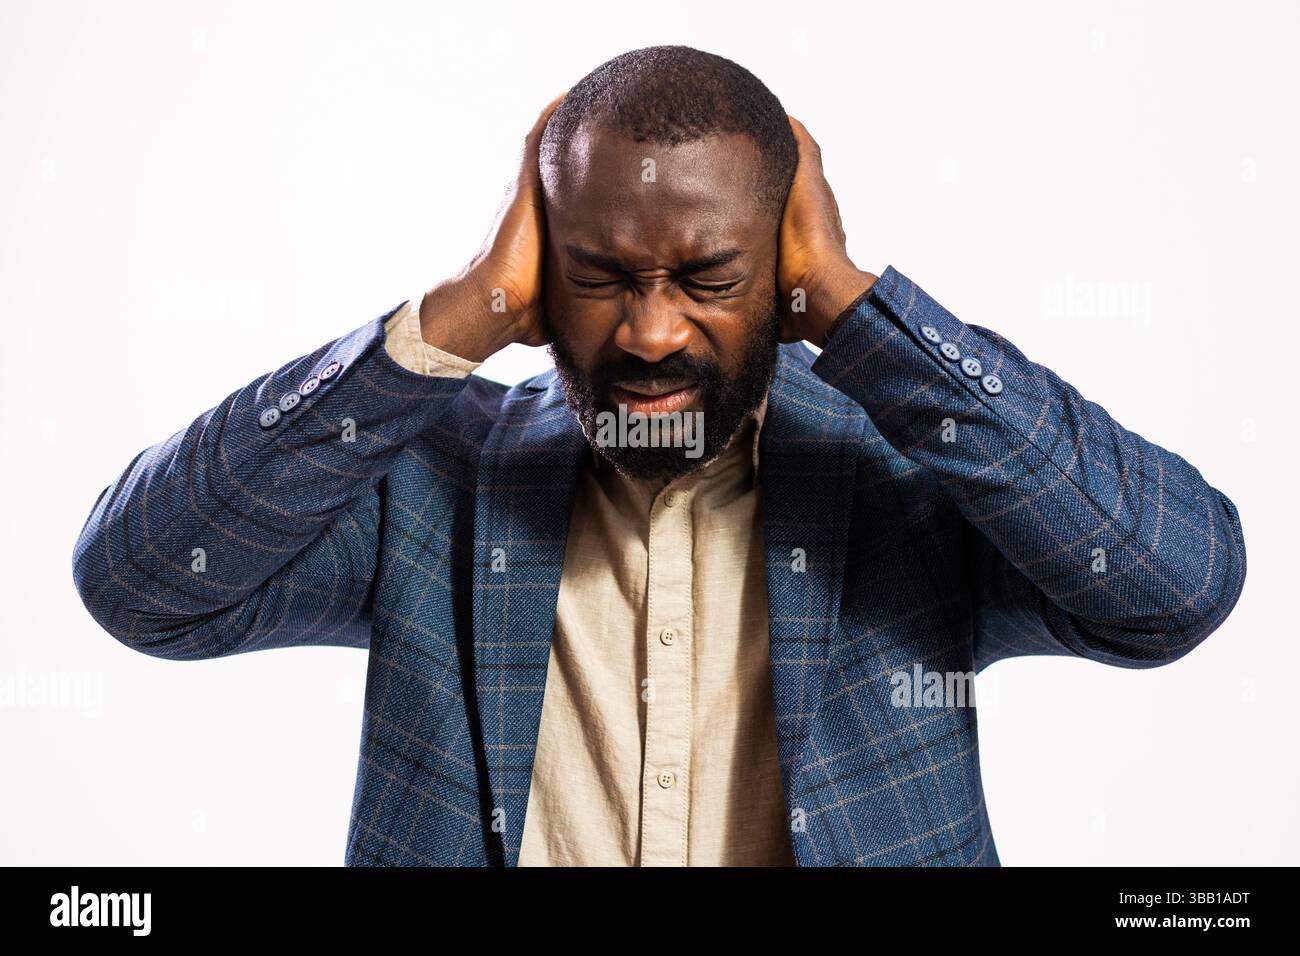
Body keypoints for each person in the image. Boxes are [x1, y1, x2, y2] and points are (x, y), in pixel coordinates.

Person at [71, 45, 1247, 867]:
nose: (649, 330)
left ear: (779, 268)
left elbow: (1174, 584)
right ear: (541, 271)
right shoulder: (433, 481)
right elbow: (140, 580)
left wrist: (855, 310)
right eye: (599, 275)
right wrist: (454, 318)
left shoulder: (904, 476)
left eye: (707, 278)